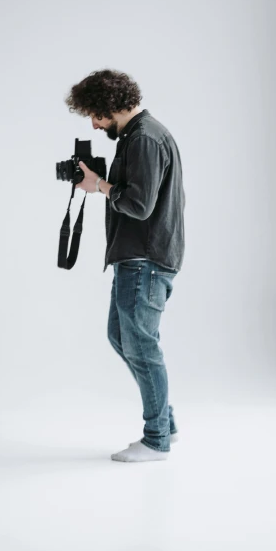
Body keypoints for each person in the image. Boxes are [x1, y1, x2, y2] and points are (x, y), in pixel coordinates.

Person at [65, 69, 186, 463]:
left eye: (95, 115)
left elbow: (139, 204)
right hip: (139, 258)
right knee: (121, 337)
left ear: (110, 106)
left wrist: (98, 186)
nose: (95, 124)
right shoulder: (137, 136)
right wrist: (101, 181)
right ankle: (165, 423)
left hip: (145, 260)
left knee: (142, 347)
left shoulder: (146, 138)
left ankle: (156, 440)